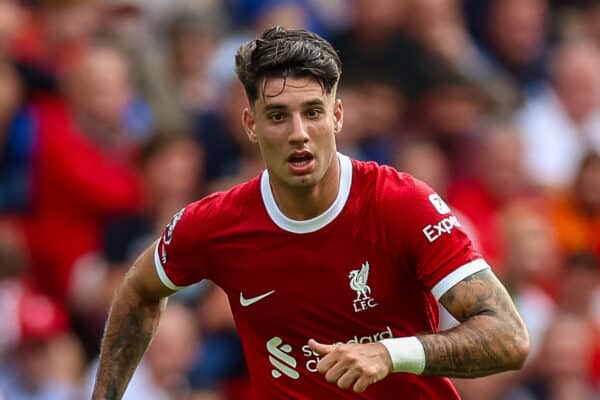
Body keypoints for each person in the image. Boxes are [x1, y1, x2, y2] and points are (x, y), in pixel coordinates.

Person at [92, 26, 529, 399]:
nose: (299, 133)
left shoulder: (399, 203)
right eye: (278, 116)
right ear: (251, 125)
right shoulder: (215, 224)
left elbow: (508, 337)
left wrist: (391, 354)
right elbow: (139, 290)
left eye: (313, 112)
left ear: (337, 116)